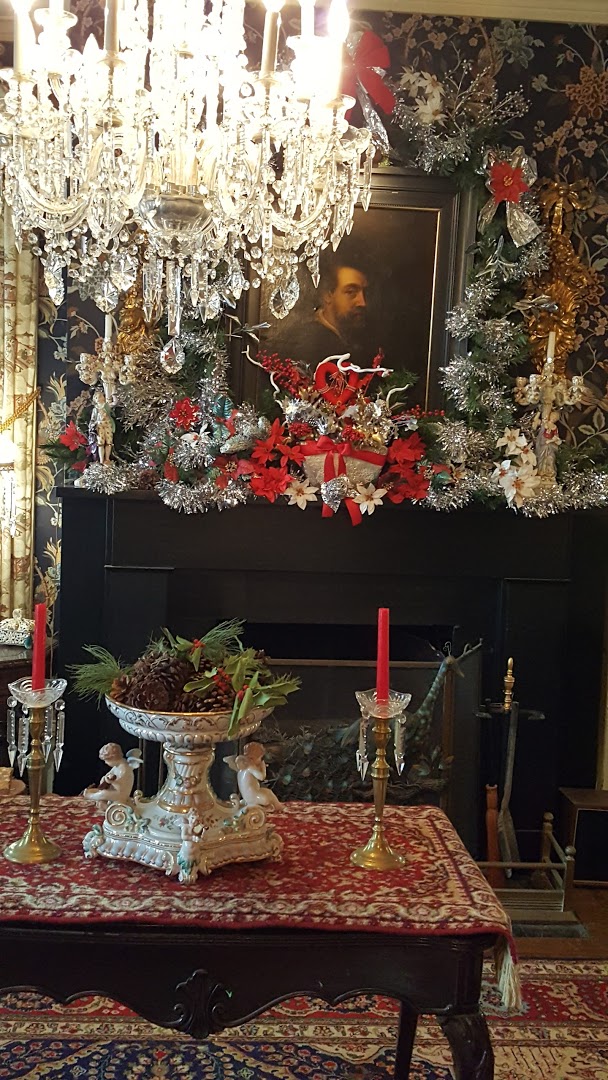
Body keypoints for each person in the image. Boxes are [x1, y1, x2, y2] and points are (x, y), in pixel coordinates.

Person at [266, 250, 382, 372]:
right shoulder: (310, 343)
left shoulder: (357, 339)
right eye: (350, 292)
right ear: (327, 295)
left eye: (365, 292)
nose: (362, 303)